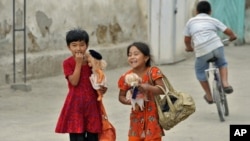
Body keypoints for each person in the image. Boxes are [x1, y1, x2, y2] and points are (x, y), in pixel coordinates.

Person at [55, 28, 107, 141]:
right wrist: (78, 63)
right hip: (75, 106)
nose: (78, 48)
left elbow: (98, 79)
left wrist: (102, 89)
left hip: (92, 105)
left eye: (82, 45)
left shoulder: (91, 61)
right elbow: (74, 82)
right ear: (69, 47)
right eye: (74, 45)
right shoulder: (67, 63)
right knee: (77, 137)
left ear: (87, 45)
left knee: (93, 136)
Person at [183, 1, 237, 104]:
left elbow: (186, 40)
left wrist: (189, 48)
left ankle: (209, 96)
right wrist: (232, 37)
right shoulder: (213, 20)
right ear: (210, 11)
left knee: (200, 71)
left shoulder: (191, 22)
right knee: (222, 63)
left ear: (196, 11)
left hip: (202, 50)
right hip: (216, 46)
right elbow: (227, 31)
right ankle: (225, 84)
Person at [118, 42, 165, 141]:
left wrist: (147, 87)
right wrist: (128, 101)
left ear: (146, 58)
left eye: (136, 54)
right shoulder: (126, 77)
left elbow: (162, 89)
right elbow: (121, 96)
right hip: (136, 119)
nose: (132, 57)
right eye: (129, 55)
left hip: (152, 118)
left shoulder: (153, 71)